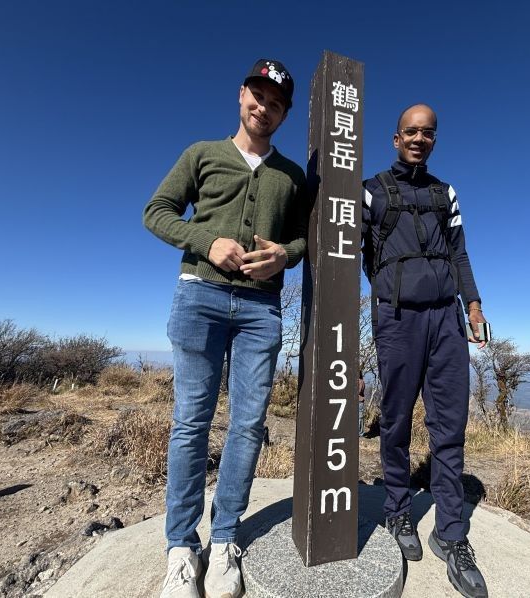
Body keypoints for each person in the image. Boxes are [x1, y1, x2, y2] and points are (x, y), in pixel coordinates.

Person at [144, 59, 310, 598]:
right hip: (200, 297)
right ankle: (181, 549)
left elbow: (310, 238)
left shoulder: (292, 175)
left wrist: (284, 255)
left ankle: (226, 540)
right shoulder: (202, 155)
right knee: (190, 422)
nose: (264, 106)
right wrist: (205, 240)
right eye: (257, 95)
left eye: (276, 102)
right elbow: (157, 211)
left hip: (262, 310)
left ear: (285, 113)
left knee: (247, 424)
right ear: (241, 95)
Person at [361, 104, 489, 598]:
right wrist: (386, 287)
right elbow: (350, 249)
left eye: (427, 133)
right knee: (395, 419)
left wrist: (473, 305)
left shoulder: (445, 192)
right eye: (411, 131)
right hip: (396, 319)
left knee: (449, 424)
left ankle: (450, 534)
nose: (419, 138)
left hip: (447, 320)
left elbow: (460, 252)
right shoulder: (370, 191)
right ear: (396, 138)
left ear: (434, 140)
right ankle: (397, 511)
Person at [358, 370, 366, 437]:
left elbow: (359, 391)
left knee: (360, 417)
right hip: (358, 401)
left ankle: (361, 433)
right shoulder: (360, 381)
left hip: (359, 401)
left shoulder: (360, 381)